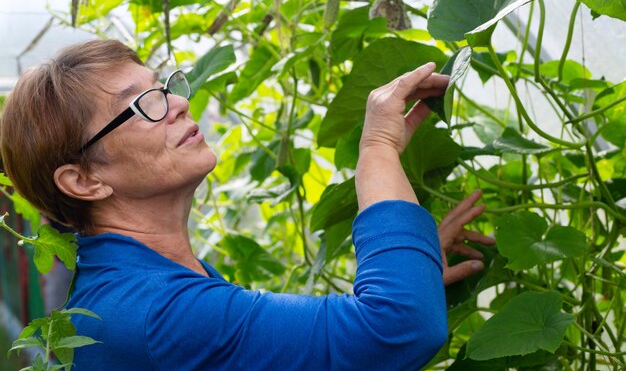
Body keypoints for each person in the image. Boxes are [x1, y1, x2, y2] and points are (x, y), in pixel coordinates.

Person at [0, 40, 494, 371]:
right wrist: (377, 150)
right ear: (84, 180)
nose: (177, 103)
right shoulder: (156, 312)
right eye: (142, 104)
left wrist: (410, 267)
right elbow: (402, 326)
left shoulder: (141, 283)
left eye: (164, 86)